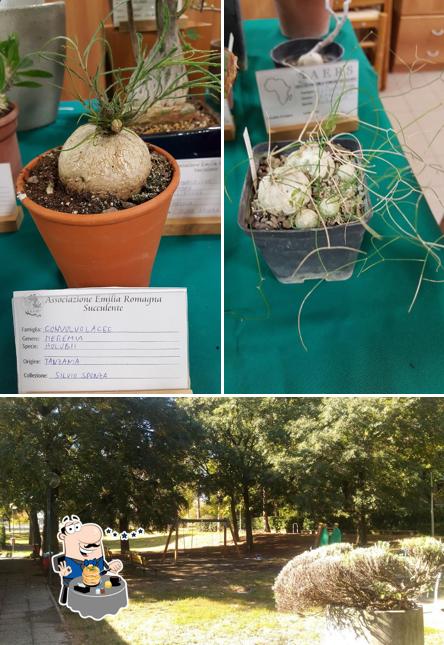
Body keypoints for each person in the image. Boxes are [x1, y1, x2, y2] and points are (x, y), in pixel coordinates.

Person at [52, 514, 123, 605]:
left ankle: (100, 602)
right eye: (72, 529)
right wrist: (63, 574)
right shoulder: (69, 560)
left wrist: (113, 567)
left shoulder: (98, 558)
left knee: (102, 590)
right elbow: (66, 575)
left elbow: (106, 569)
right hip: (76, 584)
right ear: (64, 537)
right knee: (85, 591)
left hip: (96, 584)